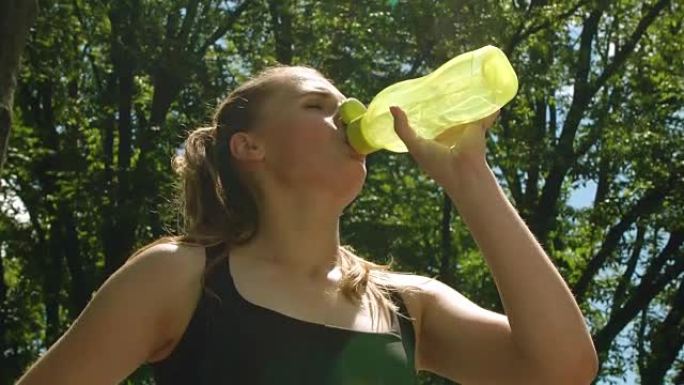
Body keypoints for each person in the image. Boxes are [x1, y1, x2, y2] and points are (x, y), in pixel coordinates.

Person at [15, 64, 598, 385]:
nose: (350, 116)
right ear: (250, 147)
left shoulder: (406, 306)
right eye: (319, 105)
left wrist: (470, 179)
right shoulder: (181, 277)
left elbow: (561, 370)